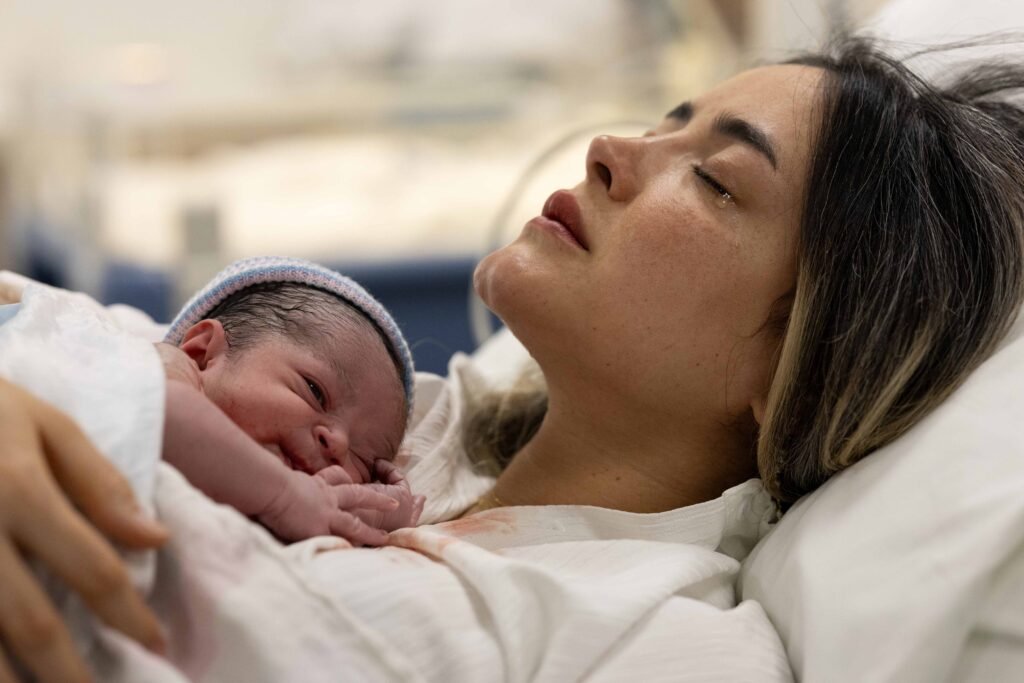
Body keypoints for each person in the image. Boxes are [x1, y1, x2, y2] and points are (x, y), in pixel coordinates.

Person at [1, 34, 1023, 681]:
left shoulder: (653, 639)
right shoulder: (398, 423)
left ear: (801, 363)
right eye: (667, 121)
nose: (611, 150)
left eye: (713, 179)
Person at [157, 257, 424, 546]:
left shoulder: (277, 511)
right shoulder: (164, 366)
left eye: (361, 460)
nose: (338, 444)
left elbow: (315, 508)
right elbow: (164, 412)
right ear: (202, 353)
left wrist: (376, 512)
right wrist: (286, 496)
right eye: (315, 392)